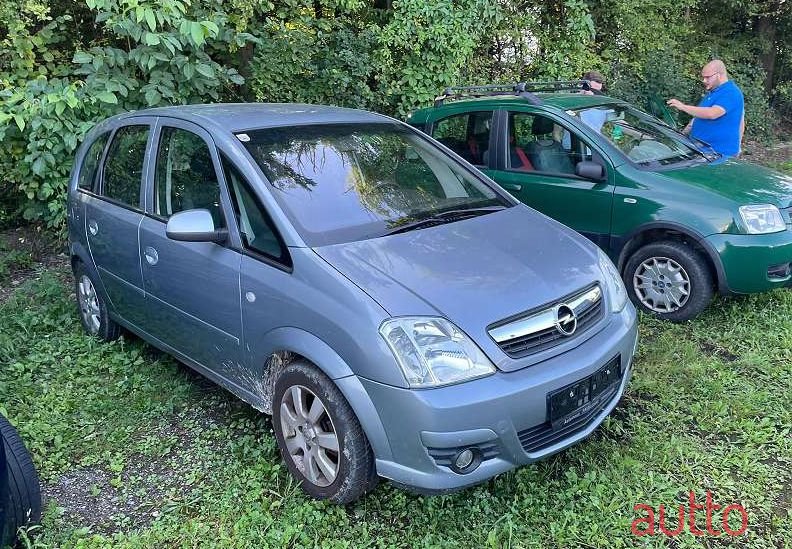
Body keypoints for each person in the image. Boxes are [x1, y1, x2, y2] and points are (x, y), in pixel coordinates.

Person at [666, 59, 745, 157]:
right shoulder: (713, 92)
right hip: (700, 150)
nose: (704, 81)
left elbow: (711, 114)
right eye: (703, 77)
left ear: (719, 75)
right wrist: (682, 135)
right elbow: (698, 116)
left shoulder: (731, 92)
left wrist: (683, 107)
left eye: (707, 77)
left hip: (718, 155)